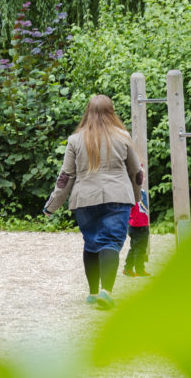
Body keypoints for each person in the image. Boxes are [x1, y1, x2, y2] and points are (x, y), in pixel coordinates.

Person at [44, 95, 142, 310]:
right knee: (110, 243)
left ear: (87, 111)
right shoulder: (123, 136)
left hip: (85, 199)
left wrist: (52, 205)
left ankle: (92, 293)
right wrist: (135, 199)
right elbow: (137, 173)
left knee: (91, 243)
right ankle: (106, 292)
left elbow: (65, 177)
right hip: (118, 197)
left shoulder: (75, 140)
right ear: (111, 111)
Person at [123, 185, 151, 277]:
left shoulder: (140, 191)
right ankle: (139, 270)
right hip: (138, 225)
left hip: (140, 224)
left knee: (135, 248)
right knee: (139, 249)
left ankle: (128, 269)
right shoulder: (133, 192)